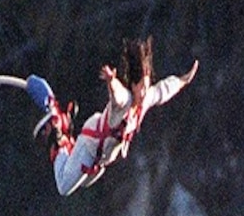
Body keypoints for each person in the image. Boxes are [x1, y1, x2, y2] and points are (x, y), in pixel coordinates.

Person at [27, 38, 199, 197]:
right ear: (132, 85)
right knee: (64, 186)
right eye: (141, 88)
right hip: (90, 146)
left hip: (99, 161)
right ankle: (59, 138)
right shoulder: (125, 101)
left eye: (146, 87)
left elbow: (163, 90)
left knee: (81, 183)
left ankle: (63, 133)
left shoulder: (145, 100)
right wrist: (111, 81)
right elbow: (117, 95)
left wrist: (183, 80)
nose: (144, 92)